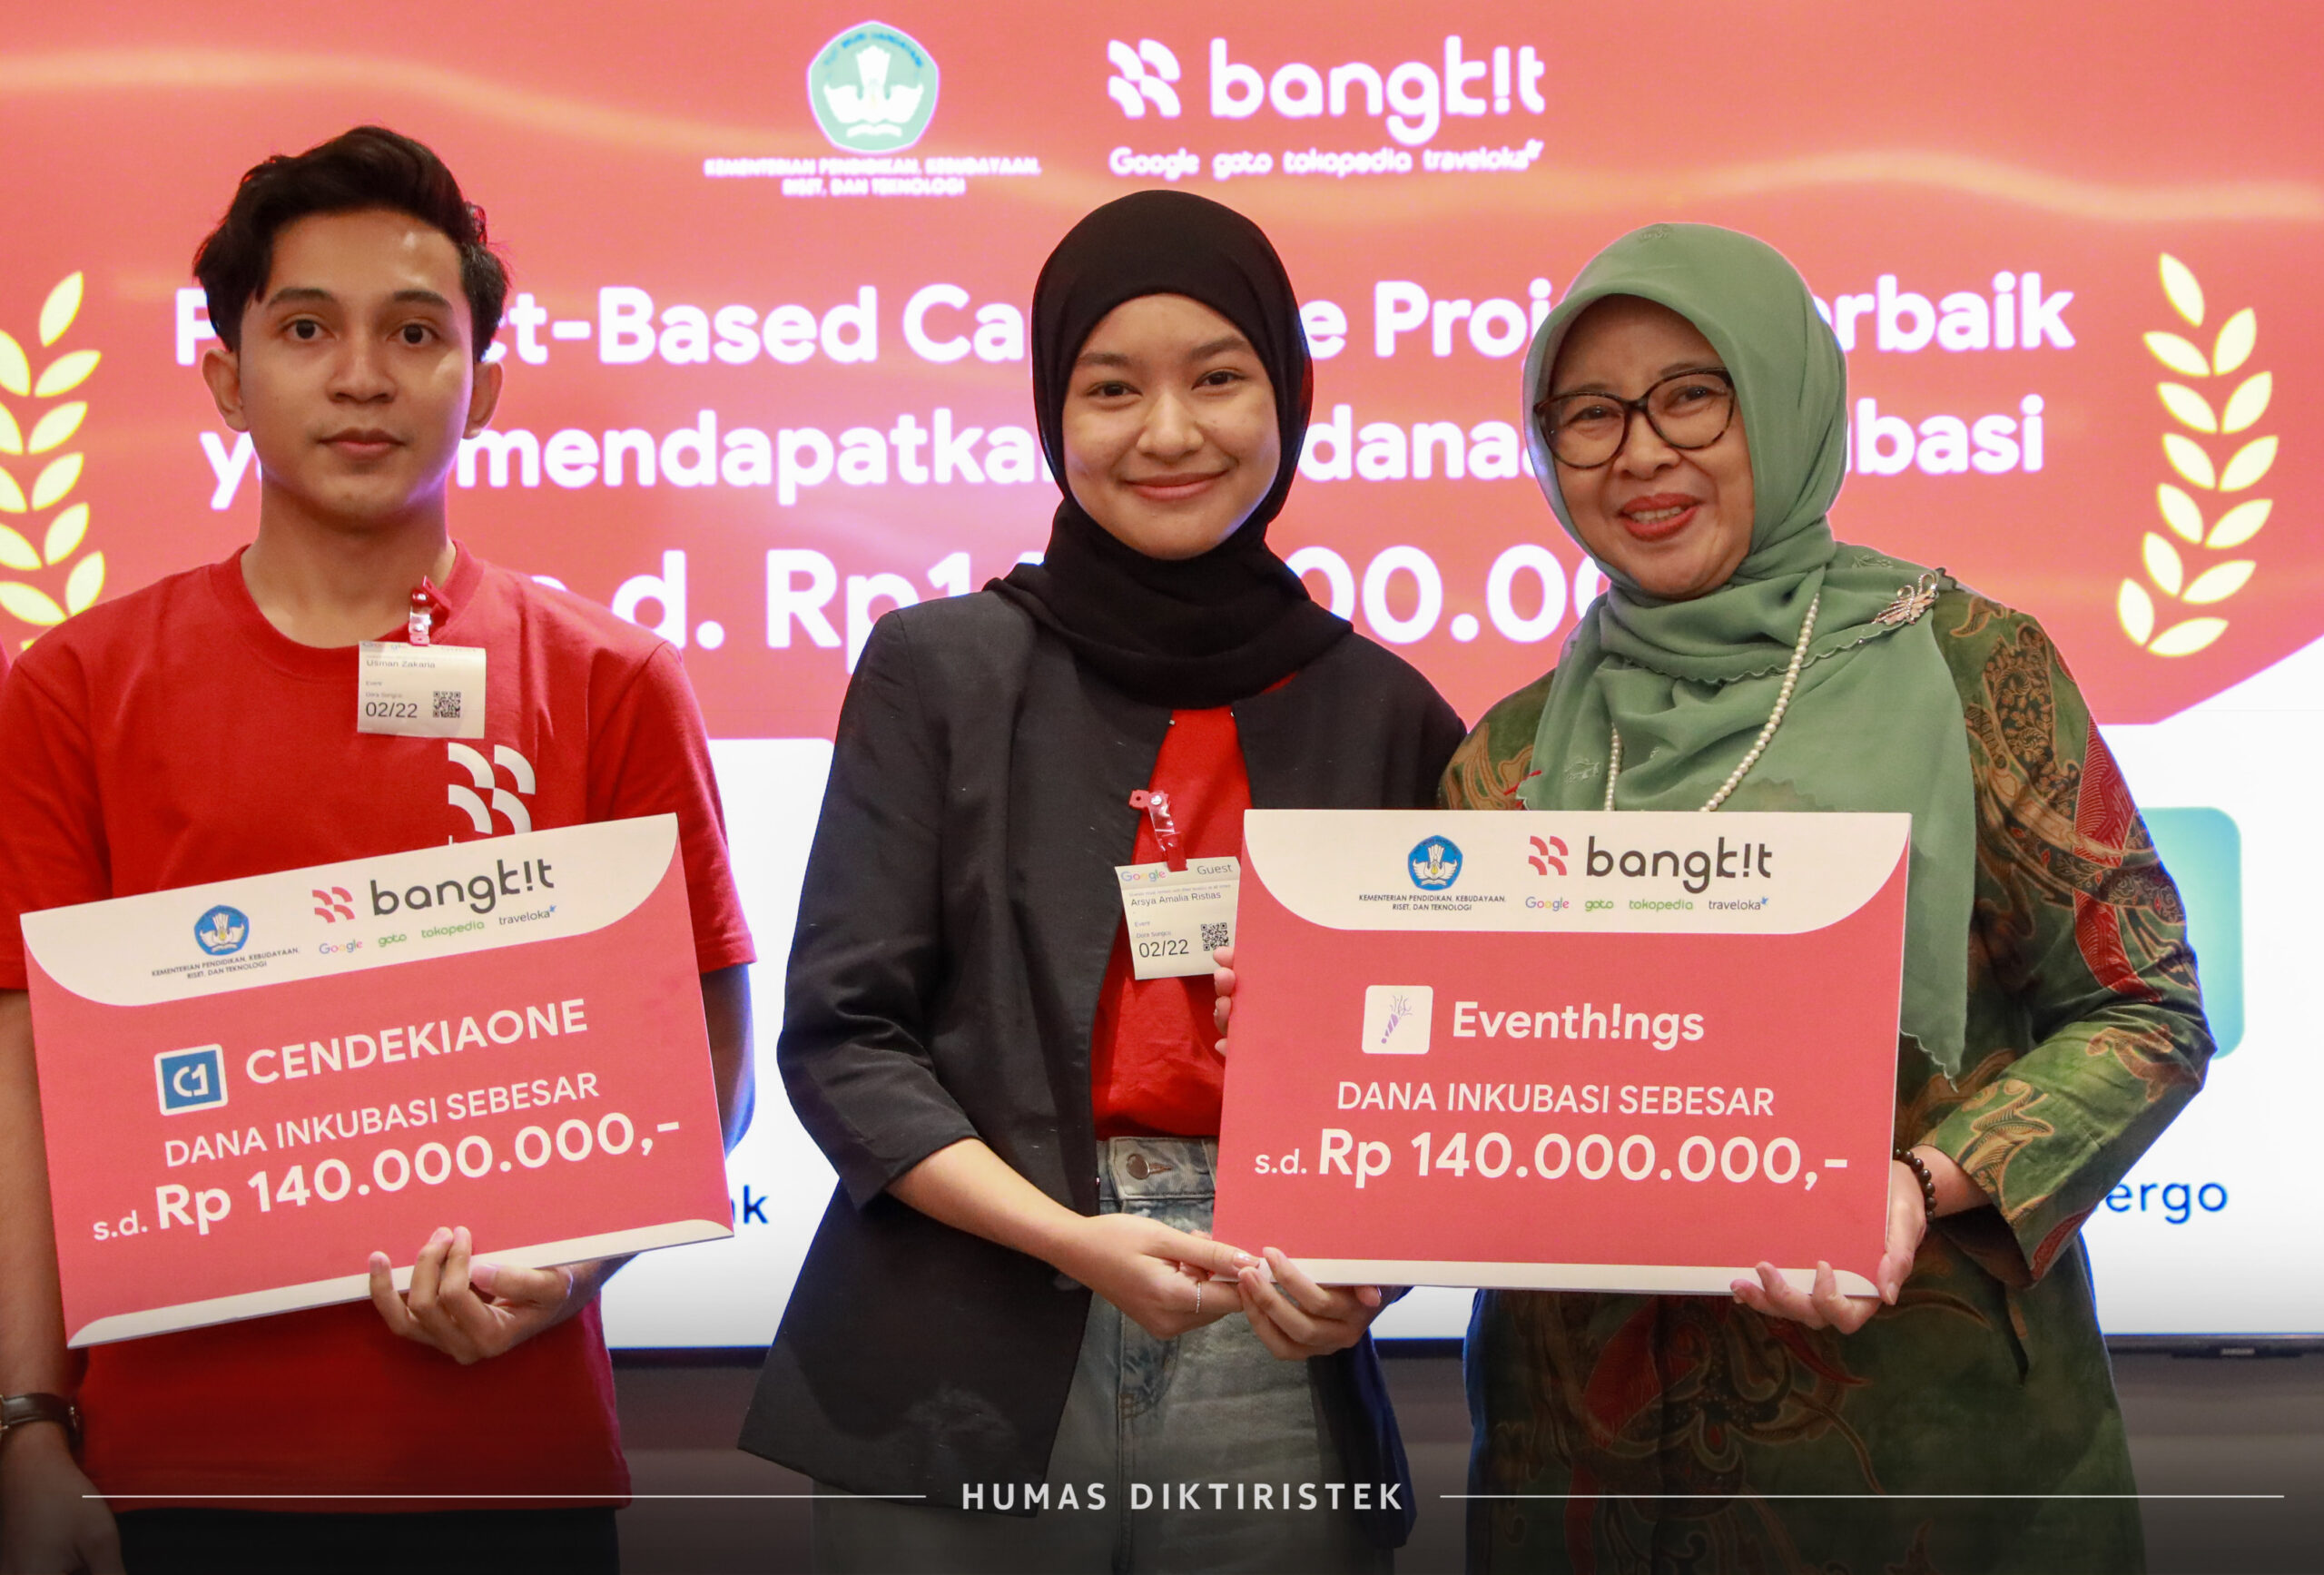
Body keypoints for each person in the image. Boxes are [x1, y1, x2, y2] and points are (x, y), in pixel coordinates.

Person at [0, 126, 755, 1574]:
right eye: (306, 329)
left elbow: (705, 1062)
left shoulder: (611, 681)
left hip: (510, 1473)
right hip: (165, 1478)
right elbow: (24, 1077)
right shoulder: (76, 688)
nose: (362, 376)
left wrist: (574, 1266)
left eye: (416, 332)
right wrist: (26, 1423)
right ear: (226, 379)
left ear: (485, 381)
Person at [1437, 222, 2211, 1571]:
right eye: (1590, 415)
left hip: (1920, 1460)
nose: (1640, 453)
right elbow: (1456, 1085)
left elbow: (2145, 1009)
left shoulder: (1971, 670)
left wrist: (1917, 1183)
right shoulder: (1508, 756)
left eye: (1693, 395)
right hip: (1583, 1469)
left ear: (1785, 397)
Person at [740, 190, 1464, 1571]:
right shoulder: (938, 670)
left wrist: (1372, 1270)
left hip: (1268, 1338)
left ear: (1288, 392)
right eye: (1113, 388)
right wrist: (1072, 1239)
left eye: (1218, 378)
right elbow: (845, 1038)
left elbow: (1444, 1078)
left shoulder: (1390, 715)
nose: (1169, 432)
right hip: (963, 1331)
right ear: (1051, 410)